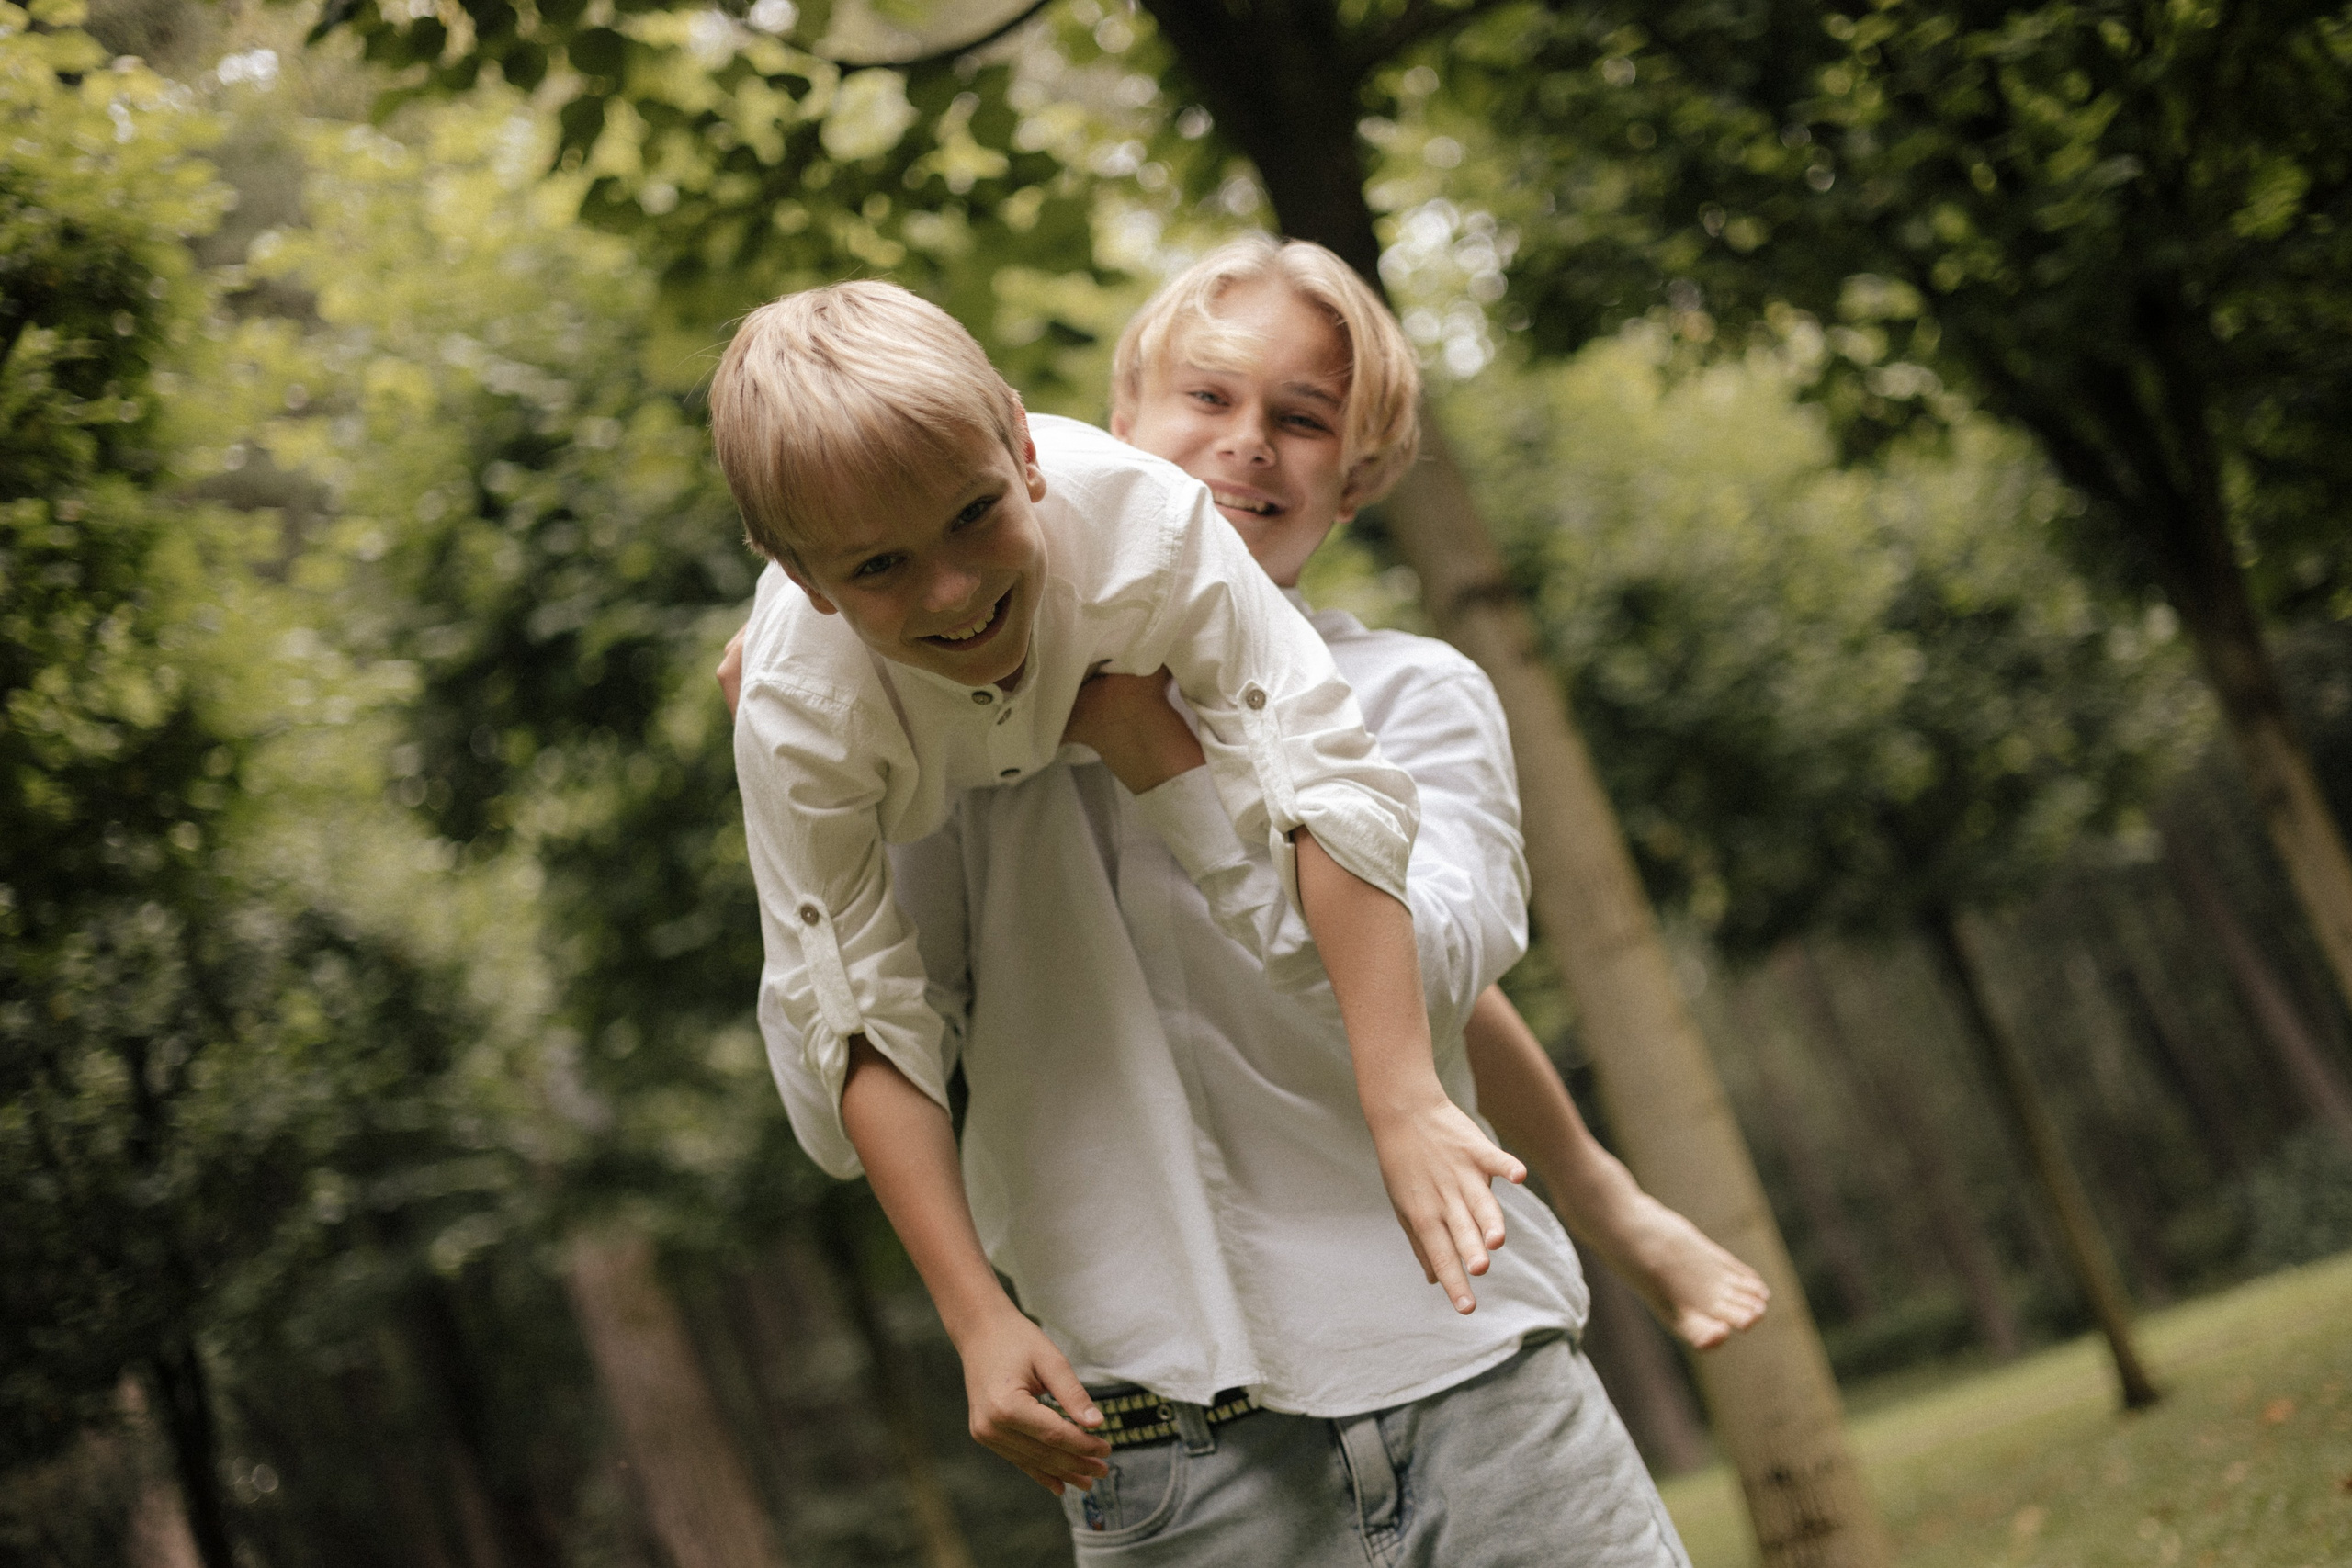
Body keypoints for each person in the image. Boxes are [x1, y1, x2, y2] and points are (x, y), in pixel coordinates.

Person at [722, 239, 1765, 1562]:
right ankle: (1609, 1192)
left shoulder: (1412, 696)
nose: (1249, 446)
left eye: (1303, 417)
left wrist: (1164, 758)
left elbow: (1442, 967)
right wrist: (812, 725)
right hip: (1165, 1446)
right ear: (1114, 430)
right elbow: (863, 1032)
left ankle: (1609, 1193)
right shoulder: (931, 720)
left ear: (1363, 469)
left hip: (1459, 1356)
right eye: (1208, 400)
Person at [716, 280, 1524, 1346]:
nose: (952, 590)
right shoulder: (804, 700)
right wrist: (976, 1319)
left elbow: (1318, 781)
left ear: (1024, 445)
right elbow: (854, 1001)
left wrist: (1403, 1096)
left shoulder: (1152, 530)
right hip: (1119, 1317)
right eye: (878, 565)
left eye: (973, 515)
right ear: (798, 575)